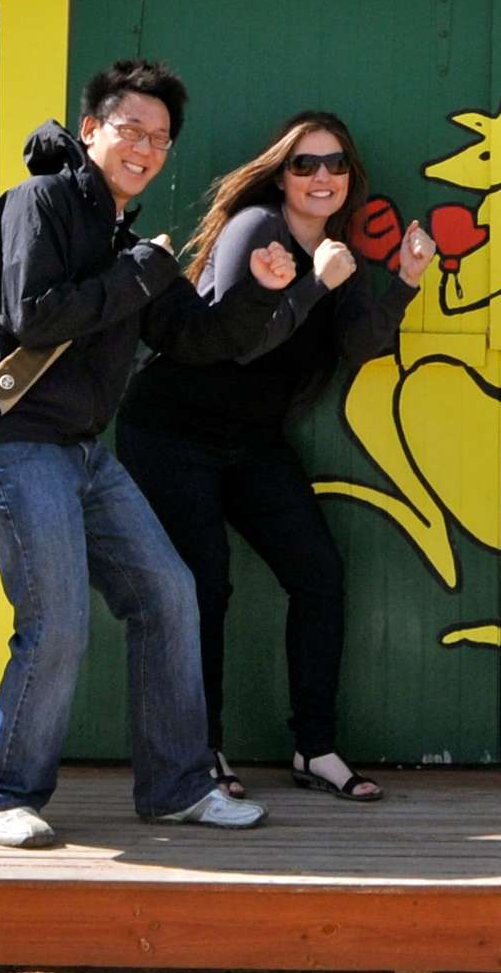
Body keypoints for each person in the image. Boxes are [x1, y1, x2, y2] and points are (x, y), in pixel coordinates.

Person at [0, 59, 266, 849]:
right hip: (14, 444)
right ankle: (3, 793)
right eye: (132, 129)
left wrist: (272, 285)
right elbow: (36, 315)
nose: (147, 147)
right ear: (92, 131)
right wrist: (141, 270)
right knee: (57, 623)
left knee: (167, 594)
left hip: (81, 452)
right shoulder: (39, 204)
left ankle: (177, 788)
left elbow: (196, 337)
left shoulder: (127, 242)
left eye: (160, 138)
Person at [119, 113, 436, 803]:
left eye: (335, 165)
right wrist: (315, 284)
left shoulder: (337, 254)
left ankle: (314, 749)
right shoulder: (254, 231)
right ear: (282, 176)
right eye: (304, 165)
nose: (321, 177)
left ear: (350, 179)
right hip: (173, 431)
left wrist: (406, 281)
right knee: (205, 587)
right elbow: (239, 339)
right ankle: (200, 754)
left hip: (252, 441)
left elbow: (360, 346)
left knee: (319, 574)